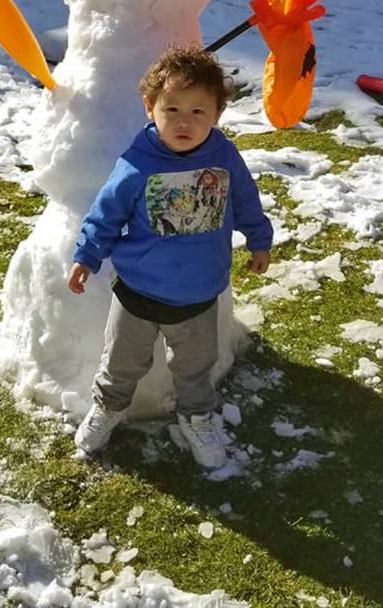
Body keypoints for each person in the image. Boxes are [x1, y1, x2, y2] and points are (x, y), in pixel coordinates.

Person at [68, 45, 273, 468]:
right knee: (122, 363)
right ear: (150, 108)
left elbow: (246, 200)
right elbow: (106, 214)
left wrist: (258, 238)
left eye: (199, 112)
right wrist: (87, 256)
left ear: (217, 114)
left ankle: (196, 420)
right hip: (138, 292)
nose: (184, 121)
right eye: (173, 109)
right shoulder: (138, 164)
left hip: (198, 293)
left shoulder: (224, 158)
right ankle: (108, 408)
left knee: (195, 370)